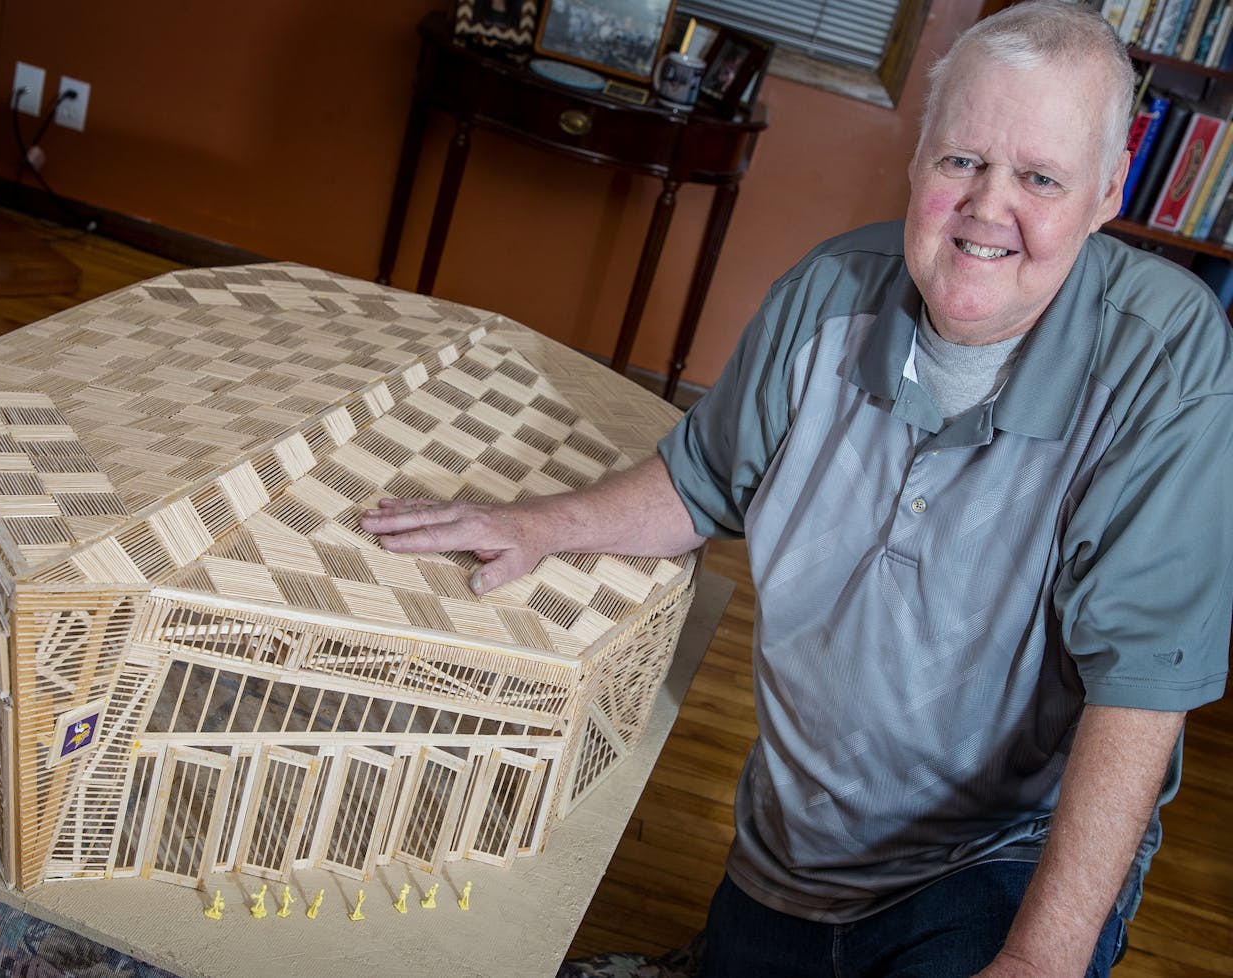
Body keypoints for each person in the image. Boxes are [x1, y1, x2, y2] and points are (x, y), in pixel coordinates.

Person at [360, 2, 1233, 975]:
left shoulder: (1166, 357)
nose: (988, 206)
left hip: (998, 860)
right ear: (917, 160)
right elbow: (697, 486)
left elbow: (1142, 681)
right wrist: (536, 522)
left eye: (1037, 177)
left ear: (1106, 188)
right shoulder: (823, 294)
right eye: (960, 162)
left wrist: (1041, 957)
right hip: (793, 846)